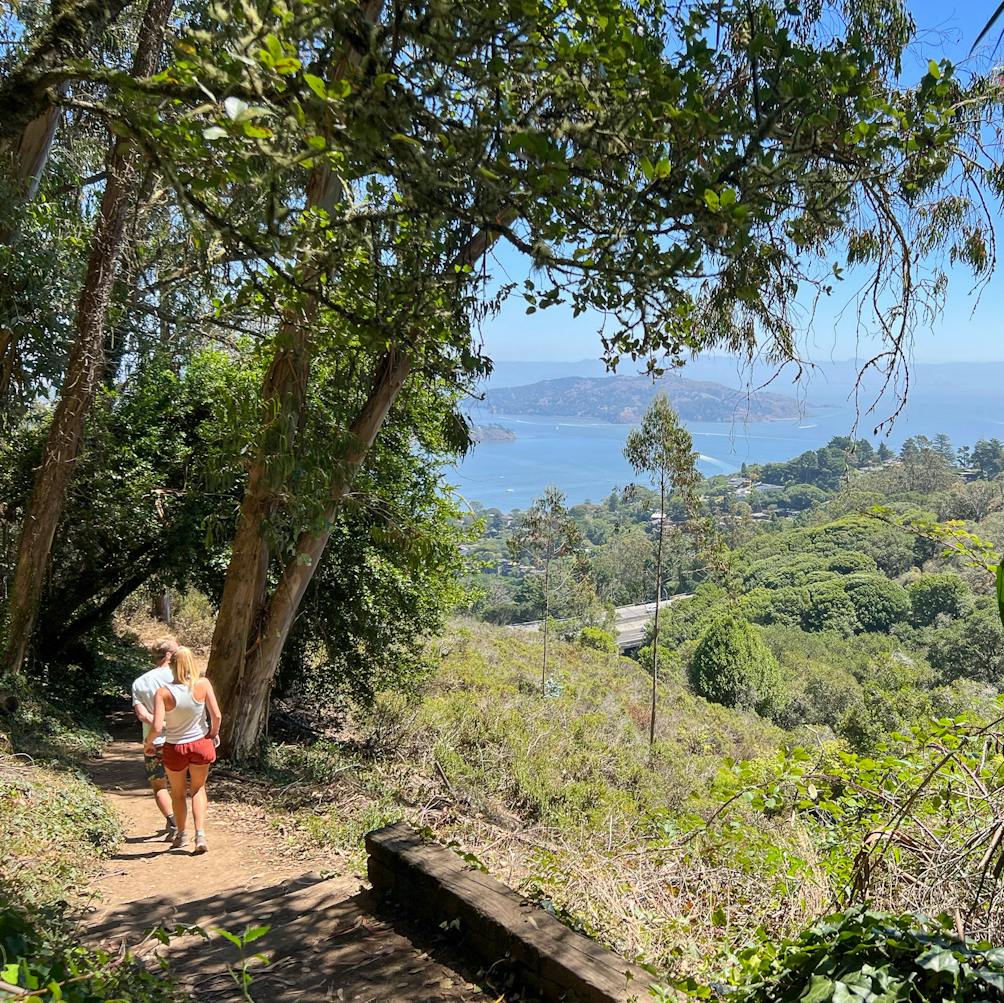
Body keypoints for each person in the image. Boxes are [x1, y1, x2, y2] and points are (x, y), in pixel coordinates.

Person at [144, 646, 222, 855]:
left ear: (171, 665)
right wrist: (213, 734)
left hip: (175, 747)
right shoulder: (203, 684)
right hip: (200, 745)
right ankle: (200, 835)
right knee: (198, 788)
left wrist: (149, 743)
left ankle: (181, 835)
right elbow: (217, 716)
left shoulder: (163, 692)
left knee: (177, 793)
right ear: (192, 662)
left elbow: (158, 726)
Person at [131, 638, 179, 840]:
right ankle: (186, 826)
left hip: (154, 741)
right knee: (179, 785)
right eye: (177, 651)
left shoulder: (140, 682)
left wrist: (158, 723)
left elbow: (142, 715)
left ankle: (173, 821)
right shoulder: (181, 678)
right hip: (181, 739)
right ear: (169, 655)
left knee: (159, 786)